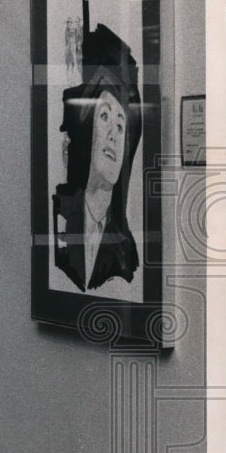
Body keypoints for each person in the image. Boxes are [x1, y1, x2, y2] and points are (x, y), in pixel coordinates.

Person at [53, 21, 142, 291]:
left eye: (120, 125)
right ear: (88, 126)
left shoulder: (125, 248)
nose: (114, 135)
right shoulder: (61, 216)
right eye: (104, 116)